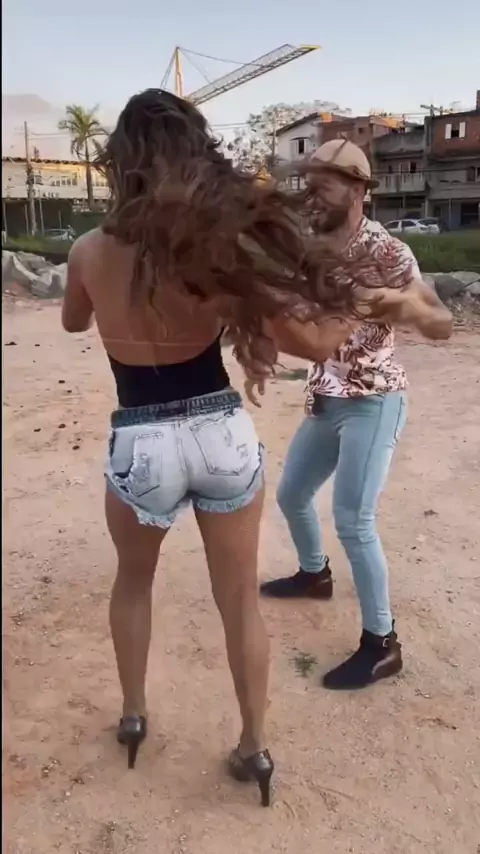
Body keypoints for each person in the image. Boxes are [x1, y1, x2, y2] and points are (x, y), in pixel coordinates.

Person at [61, 91, 375, 806]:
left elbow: (76, 323)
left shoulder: (87, 250)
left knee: (133, 582)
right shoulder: (210, 249)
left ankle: (134, 715)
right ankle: (253, 746)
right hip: (219, 428)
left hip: (141, 433)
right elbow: (282, 325)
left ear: (119, 162)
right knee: (239, 601)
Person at [261, 140, 453, 691]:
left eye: (325, 182)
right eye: (310, 181)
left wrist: (400, 304)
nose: (313, 192)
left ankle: (382, 643)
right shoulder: (310, 248)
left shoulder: (388, 252)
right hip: (326, 396)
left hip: (374, 399)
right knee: (292, 495)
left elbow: (440, 323)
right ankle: (314, 574)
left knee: (353, 519)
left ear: (358, 189)